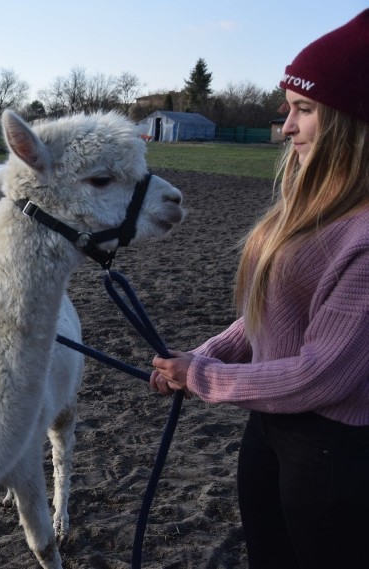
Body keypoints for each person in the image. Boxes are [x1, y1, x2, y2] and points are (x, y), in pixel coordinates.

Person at [149, 9, 369, 569]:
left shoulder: (365, 237)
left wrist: (199, 376)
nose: (287, 127)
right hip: (271, 427)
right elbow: (274, 313)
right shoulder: (315, 206)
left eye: (304, 109)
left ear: (351, 121)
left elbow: (322, 373)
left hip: (332, 450)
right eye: (287, 110)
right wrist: (206, 353)